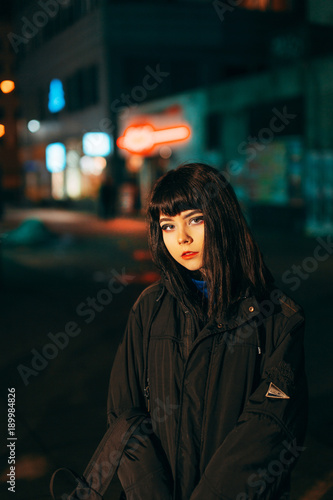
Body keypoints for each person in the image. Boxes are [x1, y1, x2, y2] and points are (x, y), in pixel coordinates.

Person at [107, 163, 307, 500]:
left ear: (221, 217)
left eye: (195, 219)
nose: (181, 238)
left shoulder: (278, 316)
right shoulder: (150, 308)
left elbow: (272, 425)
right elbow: (124, 412)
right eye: (168, 226)